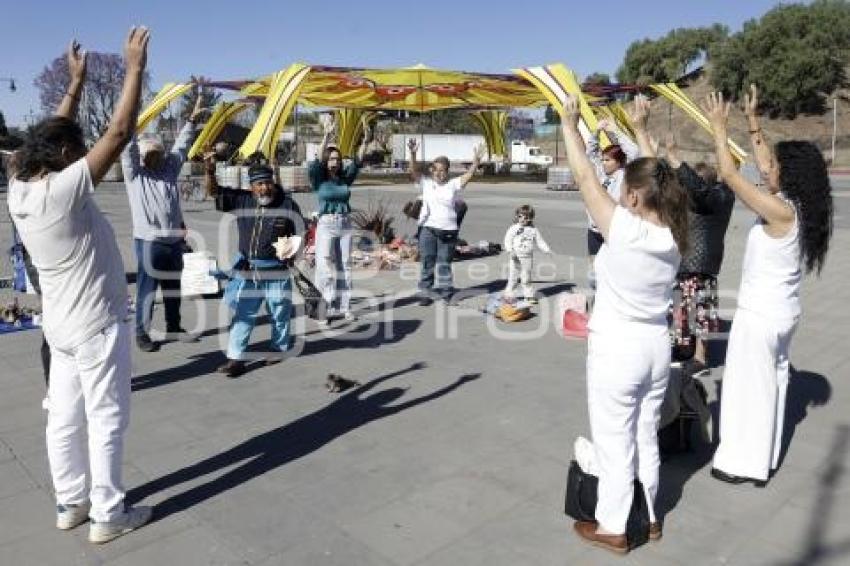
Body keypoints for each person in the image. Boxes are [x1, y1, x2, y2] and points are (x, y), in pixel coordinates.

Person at [8, 30, 152, 544]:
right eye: (74, 149)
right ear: (66, 154)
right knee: (106, 417)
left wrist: (75, 82)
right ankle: (109, 512)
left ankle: (71, 503)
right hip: (95, 325)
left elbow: (40, 139)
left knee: (63, 420)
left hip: (60, 327)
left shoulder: (18, 189)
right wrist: (134, 68)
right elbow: (116, 134)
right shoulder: (64, 191)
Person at [560, 94, 689, 553]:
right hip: (656, 347)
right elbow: (660, 177)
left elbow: (583, 177)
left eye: (624, 192)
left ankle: (614, 526)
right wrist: (640, 129)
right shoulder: (673, 234)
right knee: (644, 437)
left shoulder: (625, 228)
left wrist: (572, 127)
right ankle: (651, 517)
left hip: (618, 348)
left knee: (615, 440)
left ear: (632, 196)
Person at [705, 86, 833, 487]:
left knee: (750, 389)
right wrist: (754, 123)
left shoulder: (780, 211)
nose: (766, 170)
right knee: (772, 386)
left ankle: (743, 464)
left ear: (788, 174)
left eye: (775, 166)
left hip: (761, 316)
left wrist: (719, 129)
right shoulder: (800, 205)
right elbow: (761, 164)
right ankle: (762, 458)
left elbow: (728, 175)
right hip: (781, 314)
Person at [204, 152, 305, 378]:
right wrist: (209, 171)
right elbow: (213, 192)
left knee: (280, 312)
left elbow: (299, 231)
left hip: (276, 271)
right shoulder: (242, 200)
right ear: (252, 187)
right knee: (243, 314)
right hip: (248, 270)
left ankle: (279, 349)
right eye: (259, 184)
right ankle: (236, 359)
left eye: (268, 183)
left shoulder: (288, 204)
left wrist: (290, 252)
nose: (265, 188)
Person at [121, 87, 207, 352]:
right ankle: (141, 333)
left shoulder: (169, 171)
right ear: (143, 156)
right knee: (147, 289)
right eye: (150, 153)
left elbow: (181, 146)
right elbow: (128, 148)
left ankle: (173, 325)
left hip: (173, 241)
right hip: (149, 242)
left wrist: (191, 121)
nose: (155, 156)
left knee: (172, 287)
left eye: (158, 152)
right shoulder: (135, 175)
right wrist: (131, 118)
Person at [665, 135, 735, 376]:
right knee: (683, 309)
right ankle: (685, 350)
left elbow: (695, 187)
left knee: (700, 310)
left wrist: (676, 159)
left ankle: (701, 358)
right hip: (688, 263)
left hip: (700, 264)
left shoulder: (717, 198)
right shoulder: (705, 200)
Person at [308, 114, 371, 325]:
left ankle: (344, 307)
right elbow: (316, 159)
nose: (335, 162)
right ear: (327, 161)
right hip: (326, 223)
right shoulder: (319, 178)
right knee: (324, 265)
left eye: (338, 159)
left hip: (344, 223)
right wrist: (326, 135)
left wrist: (366, 140)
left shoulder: (345, 178)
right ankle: (324, 308)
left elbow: (359, 161)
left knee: (345, 265)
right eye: (331, 159)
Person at [408, 138, 484, 304]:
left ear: (448, 171)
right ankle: (426, 292)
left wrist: (475, 162)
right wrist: (413, 154)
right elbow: (413, 172)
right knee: (427, 260)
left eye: (443, 170)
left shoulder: (453, 184)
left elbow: (468, 175)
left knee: (444, 262)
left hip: (448, 230)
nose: (439, 173)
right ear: (431, 170)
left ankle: (446, 292)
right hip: (427, 229)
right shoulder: (426, 184)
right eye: (435, 169)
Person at [585, 119, 640, 289]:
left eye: (608, 160)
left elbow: (635, 153)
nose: (603, 163)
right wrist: (596, 132)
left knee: (615, 272)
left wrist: (615, 132)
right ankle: (598, 302)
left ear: (619, 162)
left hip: (614, 231)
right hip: (594, 230)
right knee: (595, 274)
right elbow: (590, 154)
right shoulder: (601, 174)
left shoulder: (625, 175)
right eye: (603, 160)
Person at [502, 204, 552, 303]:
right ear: (517, 216)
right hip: (516, 256)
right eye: (520, 216)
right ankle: (508, 295)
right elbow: (507, 240)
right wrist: (510, 250)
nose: (523, 219)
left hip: (528, 258)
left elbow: (540, 241)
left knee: (526, 278)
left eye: (526, 217)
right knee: (513, 277)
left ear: (531, 218)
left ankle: (528, 296)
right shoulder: (514, 228)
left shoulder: (533, 229)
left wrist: (547, 250)